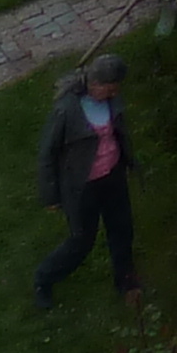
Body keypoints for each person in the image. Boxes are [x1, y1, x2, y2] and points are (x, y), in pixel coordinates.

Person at [33, 51, 142, 310]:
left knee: (122, 230)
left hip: (113, 176)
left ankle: (126, 282)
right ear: (96, 85)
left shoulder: (111, 101)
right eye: (111, 88)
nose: (116, 93)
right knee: (81, 242)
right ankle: (43, 279)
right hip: (82, 187)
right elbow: (48, 154)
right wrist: (51, 196)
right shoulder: (66, 111)